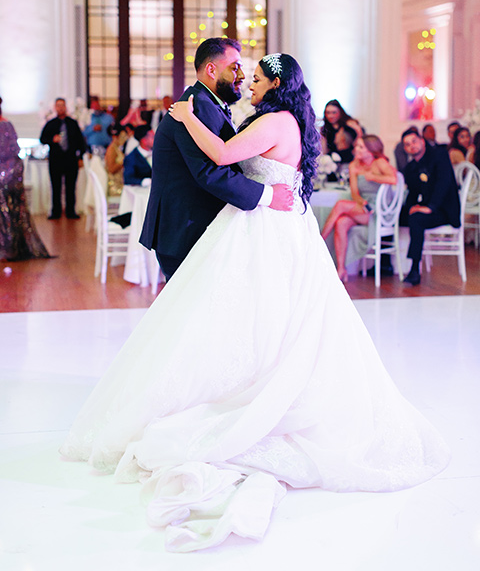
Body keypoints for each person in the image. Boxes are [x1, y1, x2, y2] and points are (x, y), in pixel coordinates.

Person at [60, 53, 449, 553]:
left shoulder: (273, 120)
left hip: (266, 228)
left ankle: (255, 386)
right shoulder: (285, 119)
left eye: (258, 77)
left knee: (255, 311)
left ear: (276, 85)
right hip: (269, 225)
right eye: (244, 72)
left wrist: (185, 118)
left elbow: (222, 156)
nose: (248, 81)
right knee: (254, 313)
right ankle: (246, 375)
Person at [139, 37, 293, 280]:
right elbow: (211, 173)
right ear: (211, 69)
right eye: (234, 67)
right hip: (185, 231)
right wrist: (268, 195)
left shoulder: (207, 103)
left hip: (191, 228)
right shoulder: (197, 106)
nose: (241, 75)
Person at [321, 135, 397, 282]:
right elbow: (354, 193)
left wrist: (373, 176)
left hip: (378, 210)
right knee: (341, 222)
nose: (356, 149)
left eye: (361, 147)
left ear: (371, 149)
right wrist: (361, 202)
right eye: (356, 146)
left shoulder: (380, 162)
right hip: (363, 206)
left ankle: (320, 240)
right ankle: (341, 269)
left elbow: (394, 179)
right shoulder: (354, 165)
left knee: (341, 204)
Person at [401, 128, 460, 285]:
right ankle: (386, 264)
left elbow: (444, 183)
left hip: (445, 210)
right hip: (427, 208)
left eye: (414, 141)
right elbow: (413, 193)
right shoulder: (410, 168)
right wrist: (410, 208)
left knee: (416, 220)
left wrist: (431, 207)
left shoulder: (439, 155)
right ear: (405, 149)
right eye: (407, 144)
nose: (411, 146)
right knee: (397, 217)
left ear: (421, 140)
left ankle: (414, 269)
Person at [0, 98, 51, 260]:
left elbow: (11, 151)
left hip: (7, 175)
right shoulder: (8, 125)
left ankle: (8, 247)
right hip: (10, 173)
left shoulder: (5, 126)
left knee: (7, 210)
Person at [40, 97, 86, 219]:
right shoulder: (50, 124)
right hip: (56, 159)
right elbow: (42, 139)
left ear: (66, 107)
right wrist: (52, 140)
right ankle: (56, 212)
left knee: (71, 187)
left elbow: (81, 142)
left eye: (62, 105)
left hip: (71, 159)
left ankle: (71, 211)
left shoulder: (72, 123)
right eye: (58, 106)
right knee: (56, 186)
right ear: (55, 108)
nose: (60, 108)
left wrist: (80, 157)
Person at [320, 99, 363, 165]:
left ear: (340, 112)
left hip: (350, 161)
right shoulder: (325, 129)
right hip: (333, 163)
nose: (330, 116)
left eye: (334, 112)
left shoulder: (349, 125)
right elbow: (324, 150)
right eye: (328, 113)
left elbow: (360, 142)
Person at [104, 124, 127, 197]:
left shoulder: (117, 148)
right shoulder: (112, 149)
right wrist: (124, 163)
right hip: (115, 186)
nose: (125, 138)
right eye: (123, 136)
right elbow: (111, 169)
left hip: (120, 181)